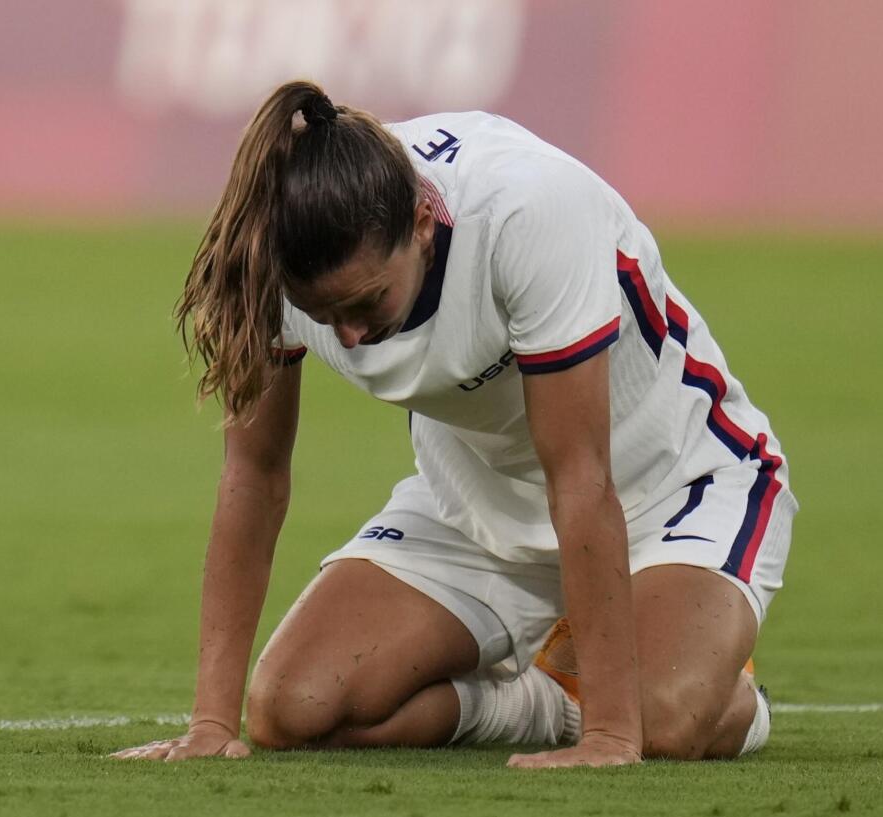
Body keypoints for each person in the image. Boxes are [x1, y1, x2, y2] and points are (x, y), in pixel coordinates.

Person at [112, 80, 796, 768]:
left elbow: (581, 477)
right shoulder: (271, 256)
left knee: (664, 724)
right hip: (475, 502)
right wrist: (209, 722)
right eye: (323, 315)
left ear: (420, 221)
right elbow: (254, 476)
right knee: (294, 708)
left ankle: (699, 688)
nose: (349, 338)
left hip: (673, 485)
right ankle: (542, 694)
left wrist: (612, 737)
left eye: (366, 301)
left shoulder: (528, 212)